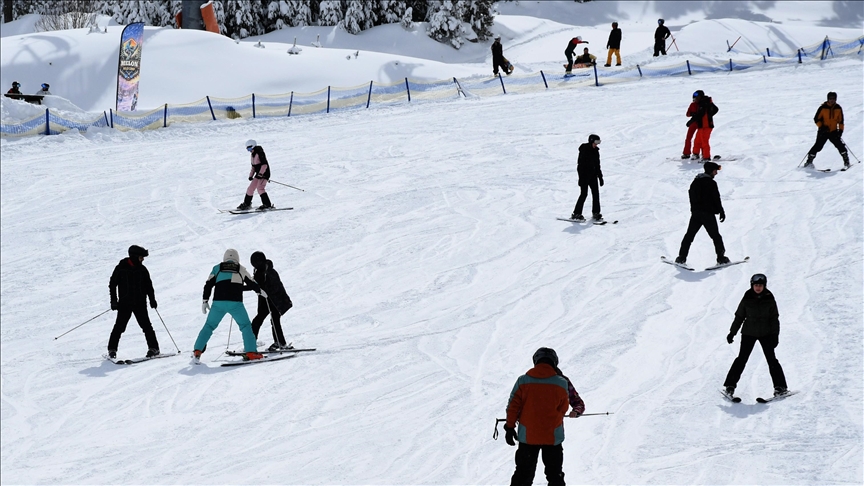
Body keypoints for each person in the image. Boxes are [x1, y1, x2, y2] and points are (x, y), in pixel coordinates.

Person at [503, 348, 573, 486]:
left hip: (528, 437)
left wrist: (510, 427)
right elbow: (563, 408)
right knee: (555, 475)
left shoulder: (523, 381)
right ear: (554, 362)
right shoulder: (561, 382)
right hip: (553, 437)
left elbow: (513, 407)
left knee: (523, 475)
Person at [723, 274, 788, 398]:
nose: (758, 288)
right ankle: (730, 386)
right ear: (752, 285)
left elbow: (774, 318)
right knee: (741, 359)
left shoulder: (769, 298)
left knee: (772, 360)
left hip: (766, 333)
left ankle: (781, 387)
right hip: (748, 333)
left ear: (764, 286)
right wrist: (732, 332)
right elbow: (739, 316)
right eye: (756, 285)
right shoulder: (747, 297)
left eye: (760, 285)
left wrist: (775, 335)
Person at [194, 249, 265, 361]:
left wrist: (205, 300)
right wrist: (259, 291)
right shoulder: (241, 269)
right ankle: (251, 352)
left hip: (218, 303)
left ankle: (197, 351)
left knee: (209, 326)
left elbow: (208, 285)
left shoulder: (217, 268)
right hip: (235, 304)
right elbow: (251, 282)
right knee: (245, 326)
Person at [107, 245, 160, 359]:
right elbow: (112, 284)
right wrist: (113, 300)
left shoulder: (142, 269)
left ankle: (154, 348)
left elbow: (149, 286)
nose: (143, 259)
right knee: (119, 327)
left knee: (146, 327)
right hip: (124, 304)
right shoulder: (121, 268)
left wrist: (152, 299)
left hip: (140, 303)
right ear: (135, 257)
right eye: (141, 257)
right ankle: (112, 349)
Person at [675, 161, 729, 266]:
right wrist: (721, 211)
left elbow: (691, 195)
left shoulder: (696, 181)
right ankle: (721, 258)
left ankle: (681, 258)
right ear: (710, 171)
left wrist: (694, 210)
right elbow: (716, 199)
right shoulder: (711, 183)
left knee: (689, 236)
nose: (716, 173)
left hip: (696, 214)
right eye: (715, 171)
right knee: (716, 236)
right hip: (708, 214)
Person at [249, 251, 293, 351]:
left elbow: (274, 287)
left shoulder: (268, 271)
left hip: (275, 301)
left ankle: (279, 342)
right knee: (263, 320)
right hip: (269, 301)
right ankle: (278, 342)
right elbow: (256, 285)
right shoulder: (261, 271)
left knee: (271, 319)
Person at [804, 92, 849, 169]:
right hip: (823, 131)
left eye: (833, 99)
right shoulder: (822, 108)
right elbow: (816, 119)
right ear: (828, 99)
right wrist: (822, 127)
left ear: (836, 99)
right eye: (830, 98)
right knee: (817, 146)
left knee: (840, 146)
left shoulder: (838, 108)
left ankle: (846, 162)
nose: (832, 100)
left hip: (834, 132)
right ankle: (809, 162)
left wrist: (840, 131)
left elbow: (841, 121)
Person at [570, 134, 604, 222]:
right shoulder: (584, 150)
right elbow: (580, 166)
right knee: (584, 194)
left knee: (596, 194)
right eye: (596, 142)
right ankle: (576, 213)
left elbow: (597, 165)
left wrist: (600, 177)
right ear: (591, 141)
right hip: (585, 176)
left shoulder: (596, 151)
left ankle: (596, 213)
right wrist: (581, 178)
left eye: (598, 142)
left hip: (593, 176)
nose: (597, 144)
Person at [238, 139, 273, 210]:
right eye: (247, 149)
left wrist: (261, 173)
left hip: (264, 173)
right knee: (250, 188)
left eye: (250, 148)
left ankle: (267, 205)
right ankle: (247, 204)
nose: (249, 150)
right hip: (258, 174)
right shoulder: (253, 155)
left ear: (253, 146)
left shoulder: (260, 153)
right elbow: (253, 167)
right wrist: (251, 175)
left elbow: (264, 165)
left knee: (260, 188)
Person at [688, 90, 719, 161]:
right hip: (701, 125)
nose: (695, 100)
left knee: (704, 142)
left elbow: (700, 114)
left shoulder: (705, 103)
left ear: (700, 97)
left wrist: (692, 121)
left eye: (696, 98)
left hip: (706, 126)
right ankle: (696, 154)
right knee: (697, 140)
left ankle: (706, 157)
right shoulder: (703, 102)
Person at [681, 92, 701, 159]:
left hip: (700, 123)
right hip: (693, 122)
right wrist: (692, 114)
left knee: (699, 139)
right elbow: (687, 114)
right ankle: (686, 153)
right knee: (688, 138)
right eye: (694, 98)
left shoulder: (703, 104)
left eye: (697, 98)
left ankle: (697, 153)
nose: (695, 100)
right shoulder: (692, 104)